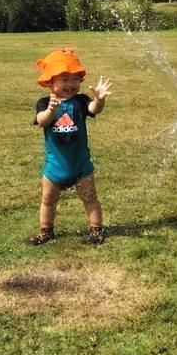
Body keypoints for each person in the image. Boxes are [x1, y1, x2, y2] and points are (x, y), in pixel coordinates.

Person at [26, 48, 112, 247]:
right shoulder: (45, 103)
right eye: (64, 79)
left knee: (90, 197)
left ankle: (96, 230)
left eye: (75, 79)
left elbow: (93, 109)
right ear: (50, 81)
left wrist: (99, 99)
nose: (70, 84)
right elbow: (42, 121)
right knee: (48, 199)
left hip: (80, 165)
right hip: (55, 167)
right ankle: (46, 231)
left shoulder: (80, 101)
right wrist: (51, 110)